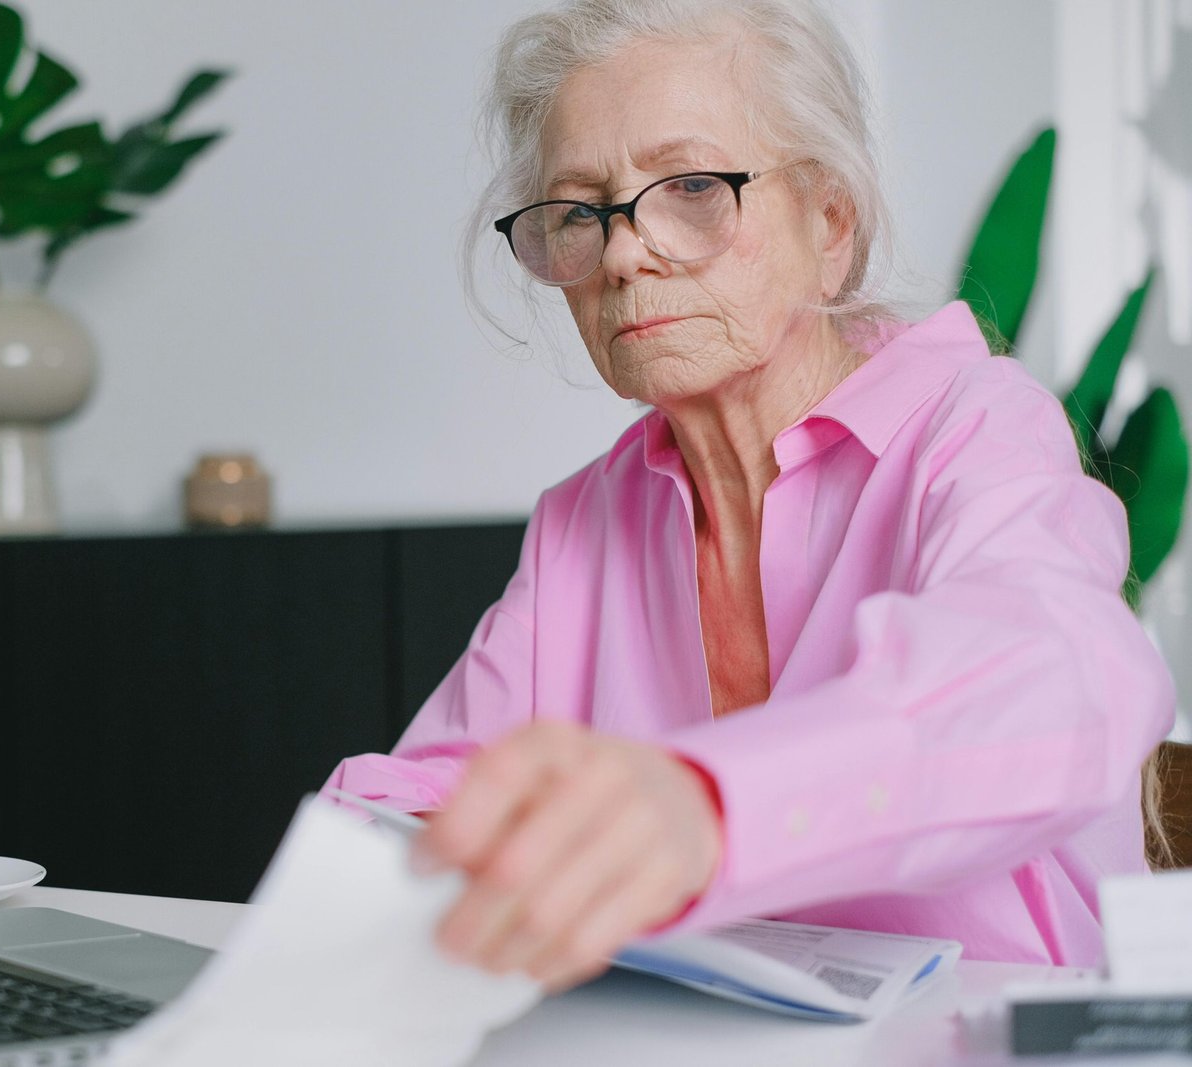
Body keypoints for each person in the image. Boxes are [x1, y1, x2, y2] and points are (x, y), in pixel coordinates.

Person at [325, 0, 1175, 993]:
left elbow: (1059, 675)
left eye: (690, 187)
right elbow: (427, 793)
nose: (623, 252)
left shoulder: (976, 425)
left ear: (827, 224)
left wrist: (706, 806)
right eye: (578, 209)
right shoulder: (585, 518)